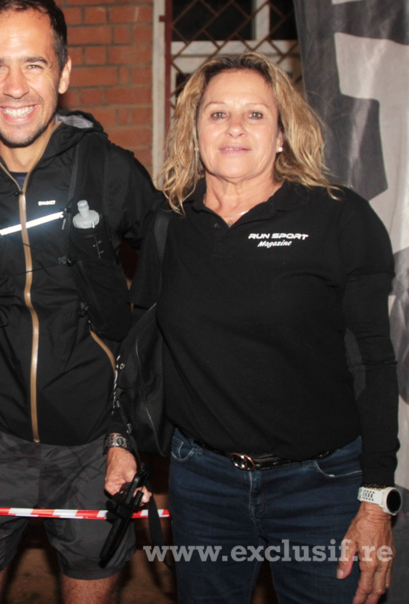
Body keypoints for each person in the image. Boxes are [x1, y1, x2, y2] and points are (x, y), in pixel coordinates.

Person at [131, 52, 400, 603]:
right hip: (202, 483)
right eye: (216, 113)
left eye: (255, 115)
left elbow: (373, 361)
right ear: (194, 130)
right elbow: (141, 345)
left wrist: (375, 498)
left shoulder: (338, 218)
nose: (234, 127)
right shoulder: (167, 227)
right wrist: (122, 439)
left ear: (281, 134)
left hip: (322, 489)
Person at [0, 1, 162, 602]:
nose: (15, 87)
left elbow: (170, 289)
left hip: (91, 447)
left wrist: (131, 423)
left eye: (34, 64)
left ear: (63, 72)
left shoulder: (110, 172)